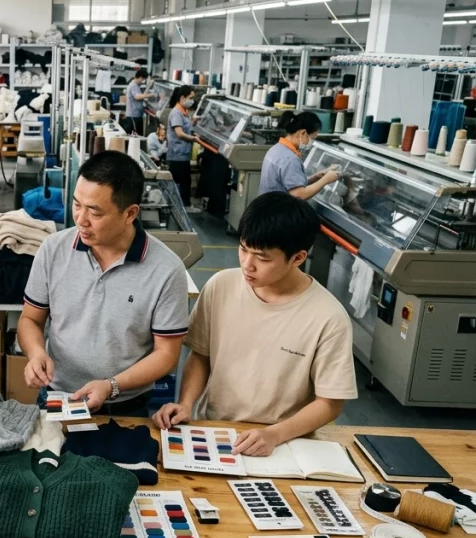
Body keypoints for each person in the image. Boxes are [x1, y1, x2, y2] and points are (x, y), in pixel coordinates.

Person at [152, 192, 357, 456]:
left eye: (262, 258)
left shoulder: (329, 317)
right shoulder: (220, 286)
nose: (247, 265)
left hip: (283, 441)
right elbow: (201, 355)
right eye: (243, 249)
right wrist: (186, 403)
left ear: (297, 258)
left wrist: (275, 434)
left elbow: (330, 403)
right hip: (214, 428)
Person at [18, 151, 188, 418]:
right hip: (58, 395)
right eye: (76, 205)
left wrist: (112, 386)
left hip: (127, 406)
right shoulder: (53, 249)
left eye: (94, 212)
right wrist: (36, 352)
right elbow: (30, 319)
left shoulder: (166, 269)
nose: (81, 220)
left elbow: (167, 354)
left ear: (130, 213)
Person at [259, 111, 340, 199]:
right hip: (278, 210)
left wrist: (315, 177)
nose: (311, 143)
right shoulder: (290, 159)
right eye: (312, 138)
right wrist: (326, 180)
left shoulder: (276, 149)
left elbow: (288, 183)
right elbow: (299, 195)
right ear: (303, 133)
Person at [166, 84, 199, 205]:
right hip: (177, 154)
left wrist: (194, 122)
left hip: (183, 154)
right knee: (182, 182)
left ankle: (182, 206)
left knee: (185, 181)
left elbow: (187, 127)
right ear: (182, 98)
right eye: (190, 98)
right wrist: (194, 139)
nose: (192, 101)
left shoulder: (184, 112)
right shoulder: (176, 113)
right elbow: (179, 133)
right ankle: (181, 207)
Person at [125, 69, 154, 136]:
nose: (143, 81)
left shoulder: (136, 85)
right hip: (133, 115)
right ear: (140, 77)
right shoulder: (133, 85)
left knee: (137, 135)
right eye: (144, 79)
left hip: (136, 114)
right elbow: (137, 97)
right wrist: (151, 94)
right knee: (135, 136)